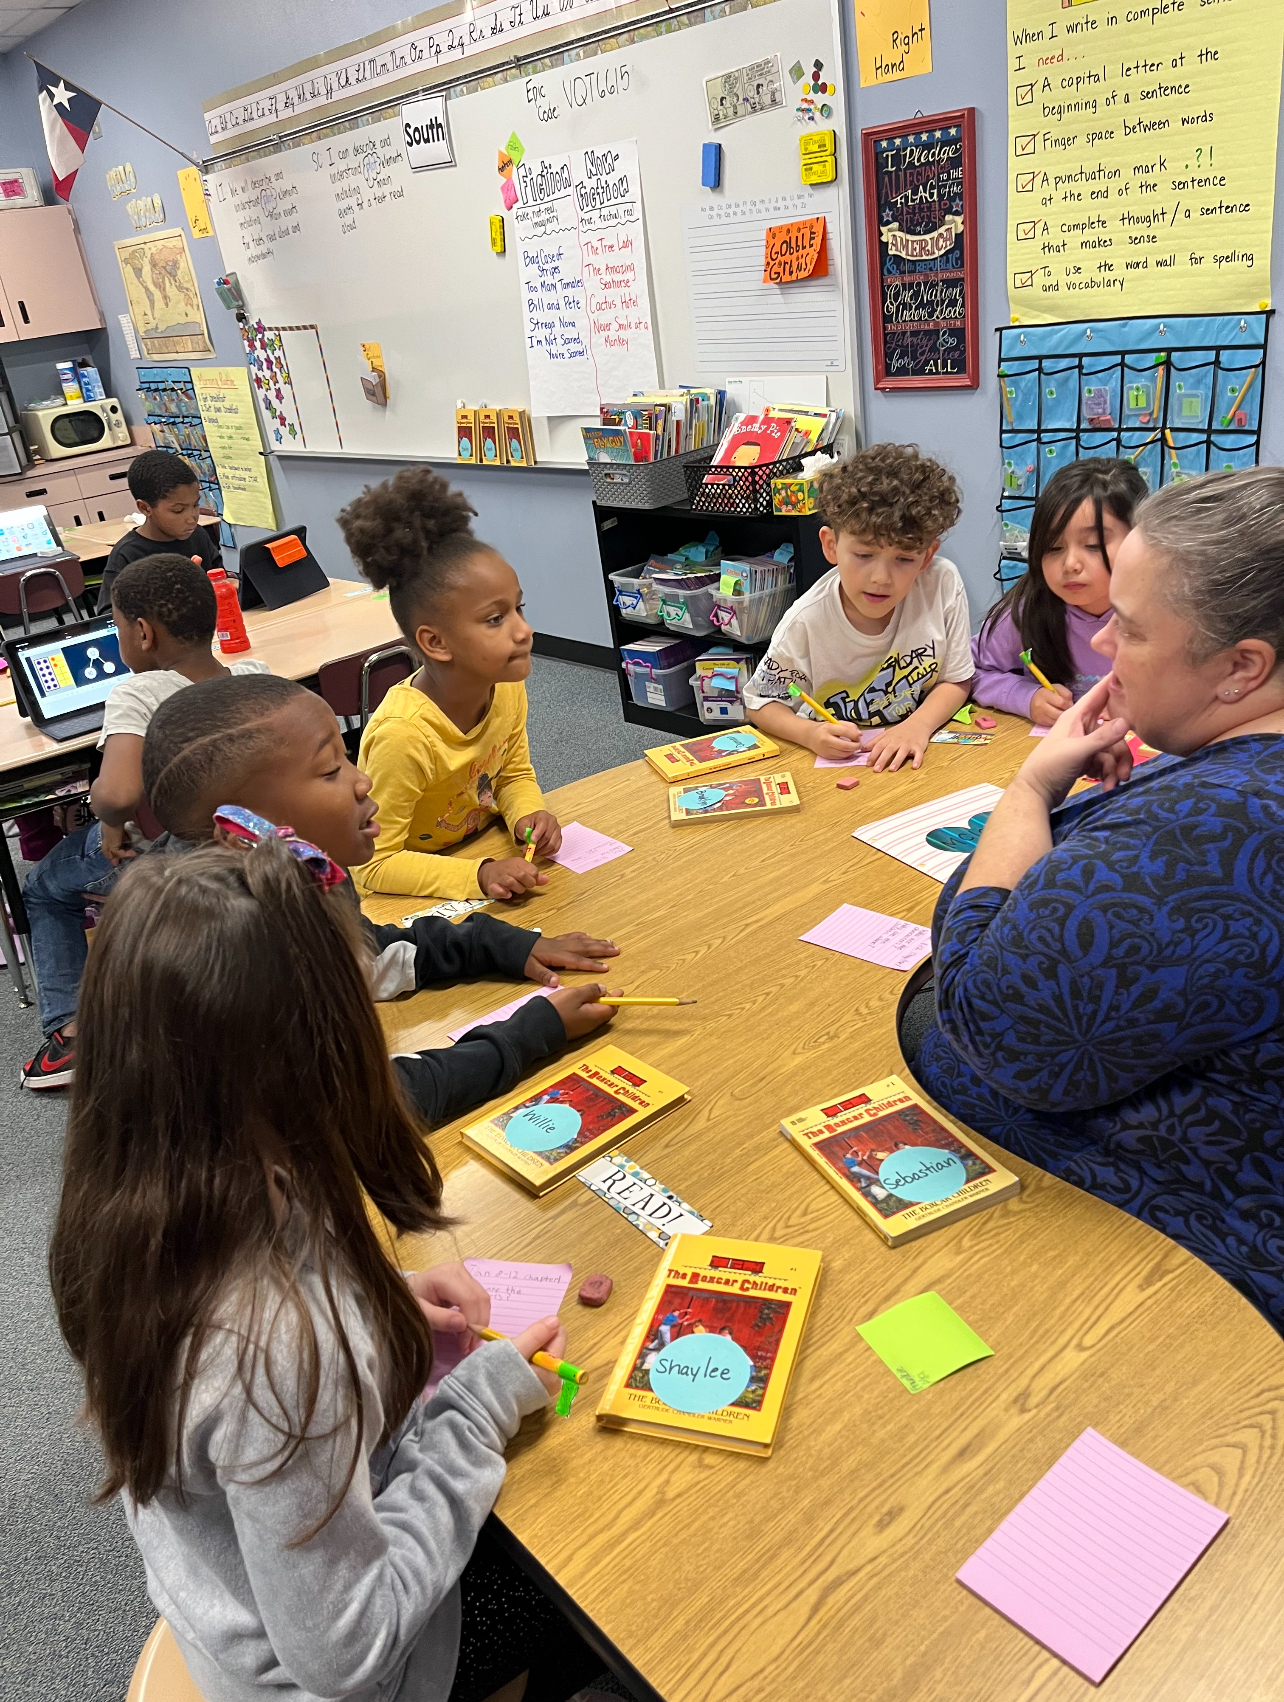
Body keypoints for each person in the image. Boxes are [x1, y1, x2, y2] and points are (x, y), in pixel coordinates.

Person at [47, 837, 609, 1702]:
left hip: (237, 1604)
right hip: (344, 1680)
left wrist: (382, 1307)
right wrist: (473, 1409)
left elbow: (230, 1405)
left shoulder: (142, 1199)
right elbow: (347, 1654)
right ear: (314, 1064)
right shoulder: (276, 1348)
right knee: (589, 1591)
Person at [915, 466, 1284, 1331]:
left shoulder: (1214, 831)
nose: (1106, 647)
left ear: (1242, 667)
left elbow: (987, 1015)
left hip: (1193, 1258)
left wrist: (1028, 793)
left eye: (1131, 627)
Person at [140, 672, 620, 1124]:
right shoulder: (240, 957)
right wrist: (529, 1034)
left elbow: (364, 953)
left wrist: (502, 946)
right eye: (331, 770)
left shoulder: (301, 876)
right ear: (243, 829)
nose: (362, 780)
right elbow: (370, 1103)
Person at [19, 554, 269, 1090]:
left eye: (115, 627)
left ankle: (72, 1032)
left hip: (166, 857)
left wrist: (104, 816)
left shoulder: (137, 691)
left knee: (41, 886)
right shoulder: (256, 676)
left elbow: (117, 794)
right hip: (246, 845)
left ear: (143, 632)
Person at [336, 468, 559, 901]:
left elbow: (510, 773)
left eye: (519, 608)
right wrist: (478, 876)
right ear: (435, 643)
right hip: (417, 896)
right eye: (495, 619)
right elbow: (374, 865)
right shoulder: (403, 736)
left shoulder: (505, 686)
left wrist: (528, 813)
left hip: (480, 850)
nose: (523, 631)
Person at [744, 442, 974, 772]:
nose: (881, 578)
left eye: (904, 559)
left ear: (927, 556)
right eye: (864, 555)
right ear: (831, 545)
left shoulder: (942, 584)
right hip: (835, 763)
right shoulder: (806, 621)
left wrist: (918, 726)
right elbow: (760, 704)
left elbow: (956, 680)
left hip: (913, 753)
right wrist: (810, 734)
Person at [972, 457, 1147, 725]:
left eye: (1092, 544)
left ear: (1140, 540)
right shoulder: (1028, 610)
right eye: (1054, 547)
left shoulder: (1165, 614)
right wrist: (1026, 698)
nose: (1070, 564)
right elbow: (968, 669)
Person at [96, 449, 222, 614]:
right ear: (145, 508)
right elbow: (107, 618)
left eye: (195, 505)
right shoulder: (127, 554)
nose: (192, 517)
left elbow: (219, 576)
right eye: (178, 510)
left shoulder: (197, 535)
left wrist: (229, 583)